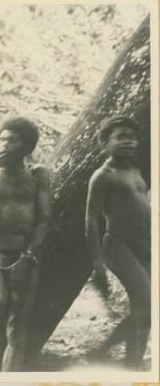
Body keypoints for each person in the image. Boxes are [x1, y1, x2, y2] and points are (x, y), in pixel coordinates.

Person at [0, 117, 51, 371]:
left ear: (26, 146)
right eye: (1, 139)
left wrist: (28, 256)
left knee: (17, 331)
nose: (3, 145)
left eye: (11, 140)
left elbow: (44, 221)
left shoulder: (38, 176)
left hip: (26, 255)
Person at [85, 115, 150, 368]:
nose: (129, 142)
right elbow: (91, 220)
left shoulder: (136, 171)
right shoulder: (102, 176)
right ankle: (102, 350)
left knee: (143, 307)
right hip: (118, 246)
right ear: (105, 143)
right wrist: (97, 262)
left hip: (144, 246)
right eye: (121, 137)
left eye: (132, 137)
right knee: (147, 304)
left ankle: (133, 361)